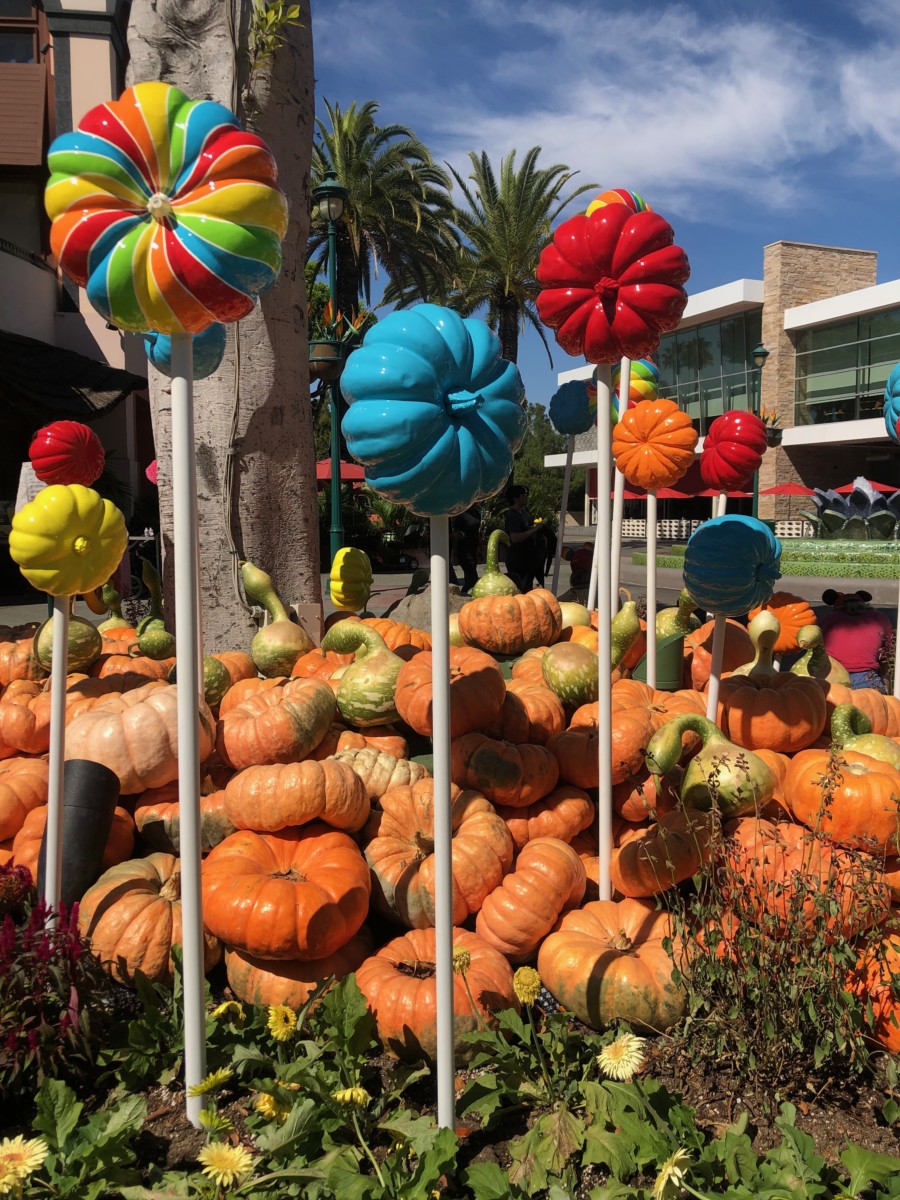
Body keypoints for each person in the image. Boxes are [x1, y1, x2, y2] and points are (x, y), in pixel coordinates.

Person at [819, 589, 893, 692]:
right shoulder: (880, 618)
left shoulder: (827, 619)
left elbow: (817, 652)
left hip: (833, 676)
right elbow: (887, 657)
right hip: (868, 678)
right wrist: (888, 689)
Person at [503, 484, 543, 592]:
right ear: (516, 498)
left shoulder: (523, 512)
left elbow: (525, 529)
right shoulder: (512, 515)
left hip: (527, 557)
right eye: (524, 495)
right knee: (521, 588)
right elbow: (515, 537)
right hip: (517, 559)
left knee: (528, 586)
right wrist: (533, 530)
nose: (526, 497)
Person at [452, 504, 480, 594]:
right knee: (472, 577)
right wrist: (454, 553)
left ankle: (466, 594)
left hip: (473, 548)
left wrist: (480, 548)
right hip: (464, 549)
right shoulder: (461, 515)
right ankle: (463, 594)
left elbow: (477, 532)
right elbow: (455, 535)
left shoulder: (476, 513)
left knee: (470, 577)